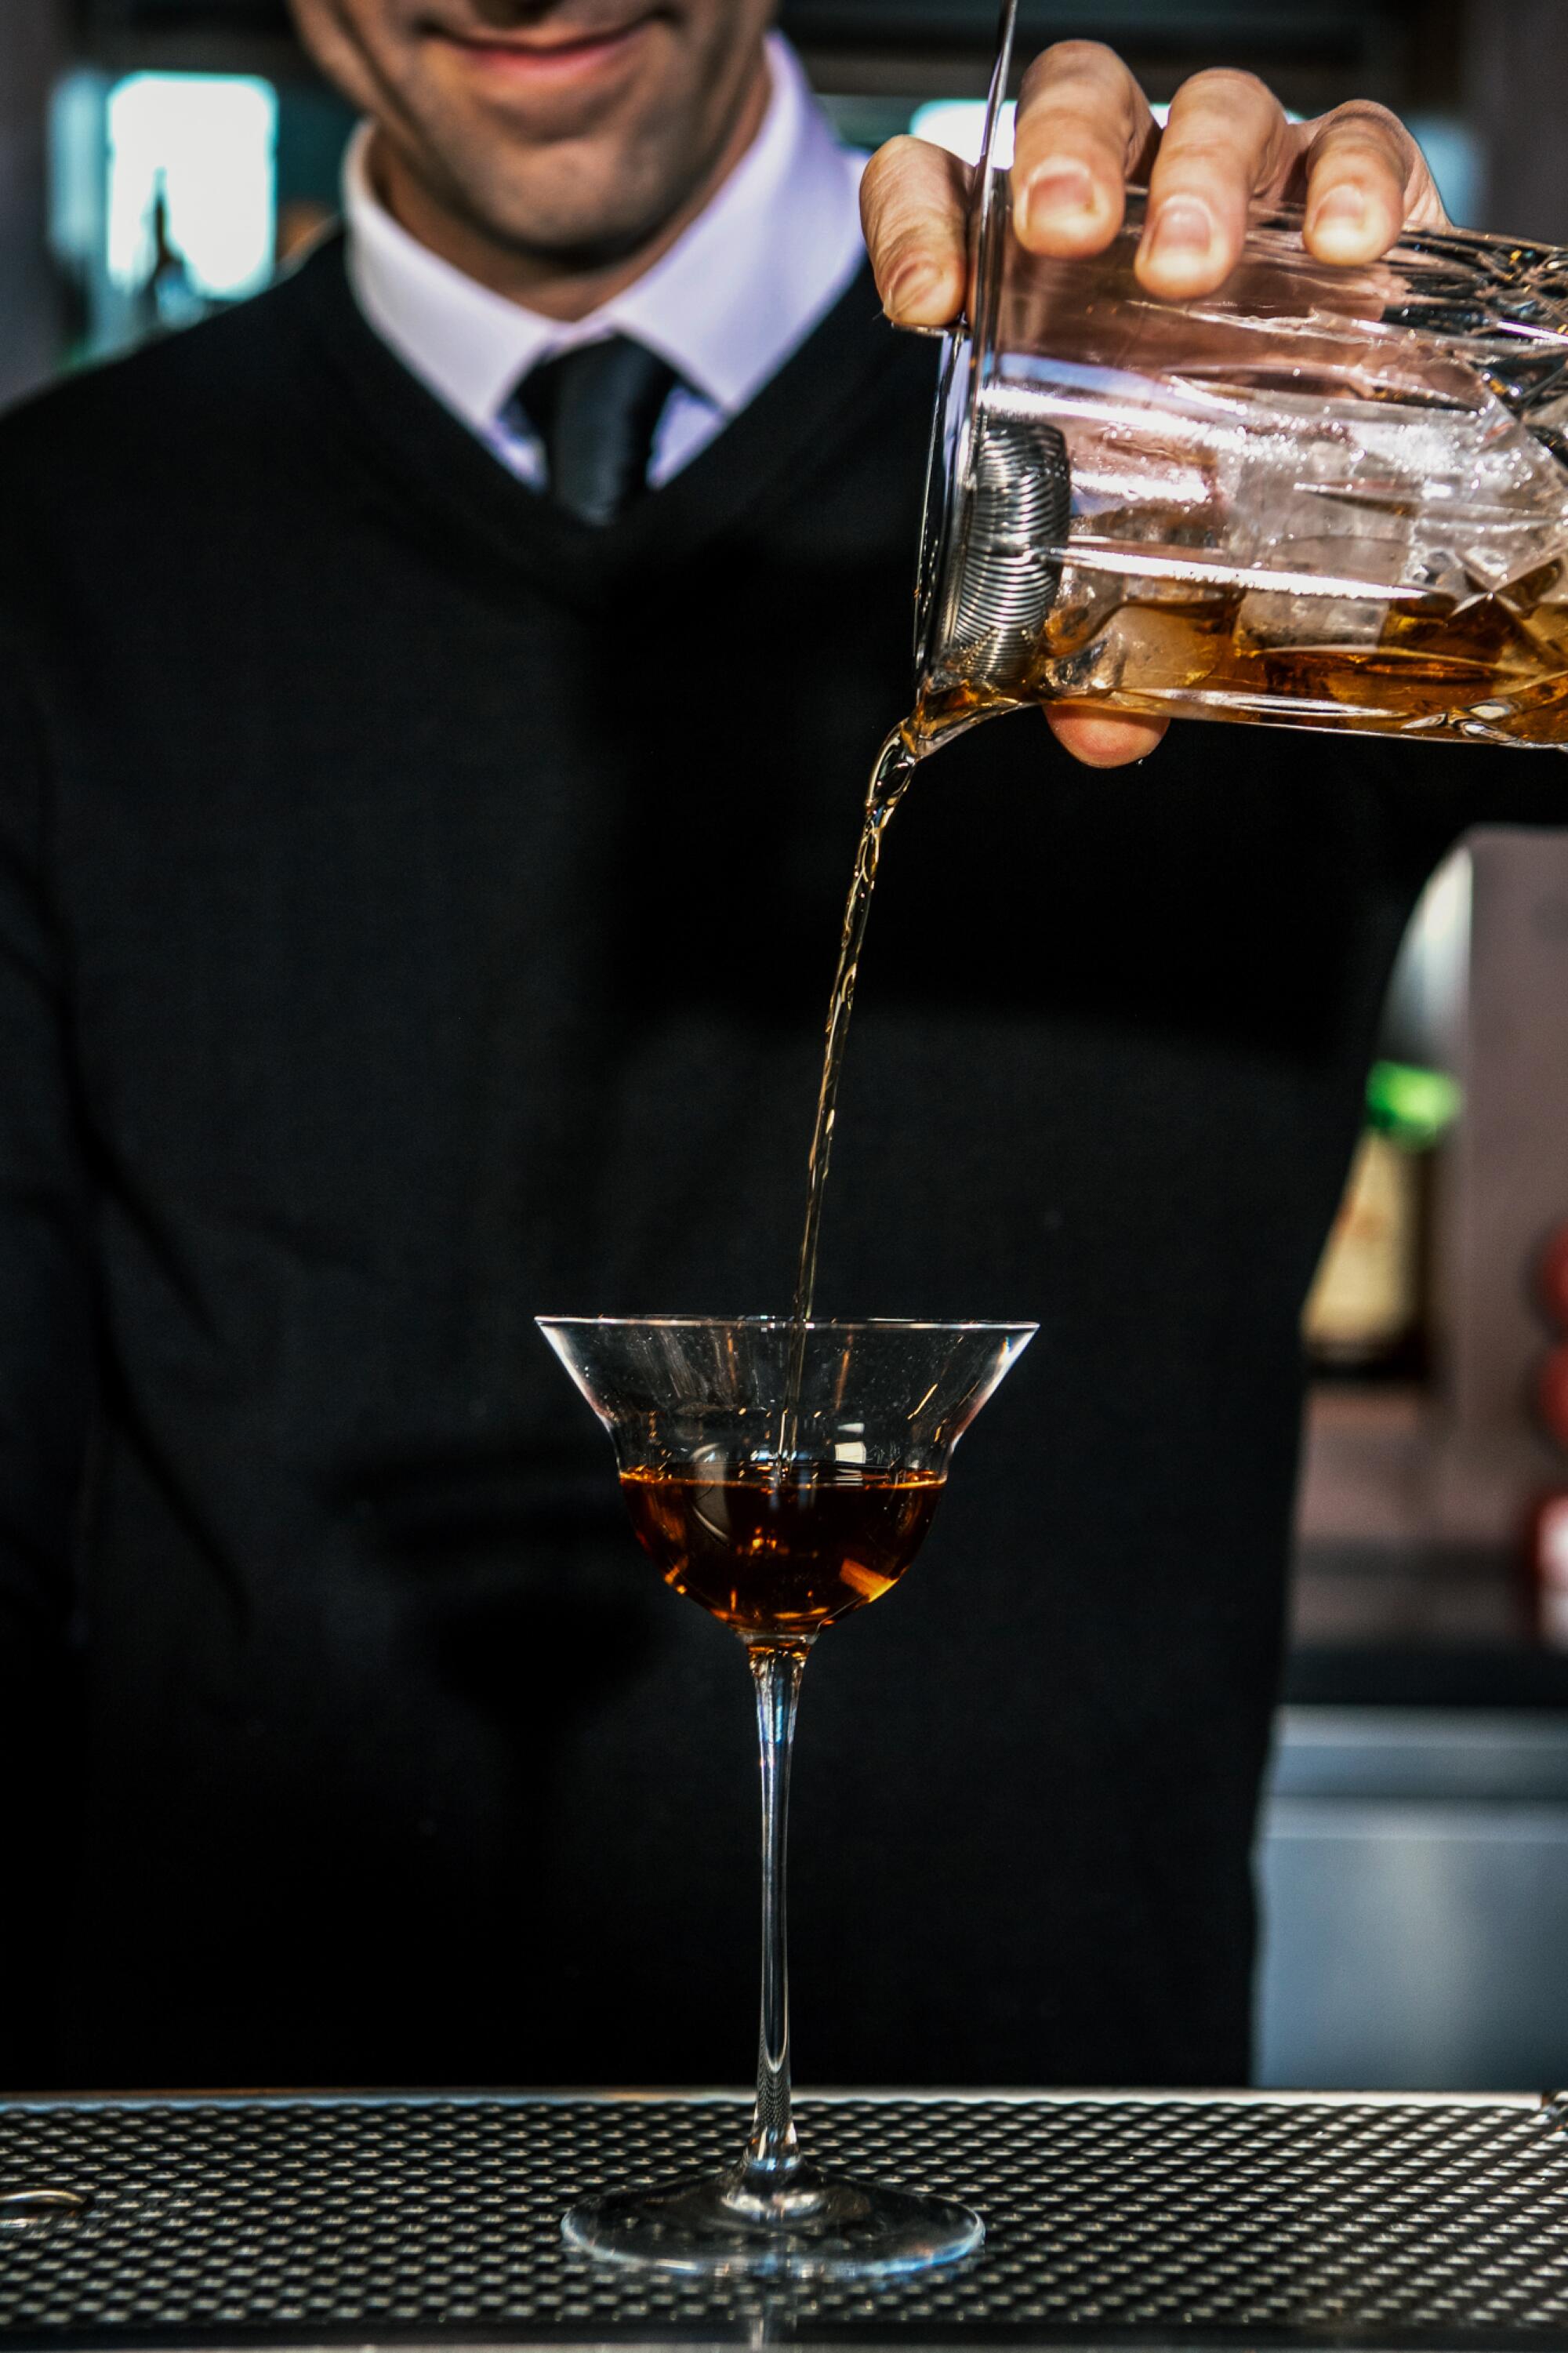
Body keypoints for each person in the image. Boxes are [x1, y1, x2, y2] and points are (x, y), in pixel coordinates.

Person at [0, 5, 1547, 2094]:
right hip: (254, 2222)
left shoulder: (1193, 473)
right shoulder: (56, 557)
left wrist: (1461, 419)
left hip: (1052, 2233)